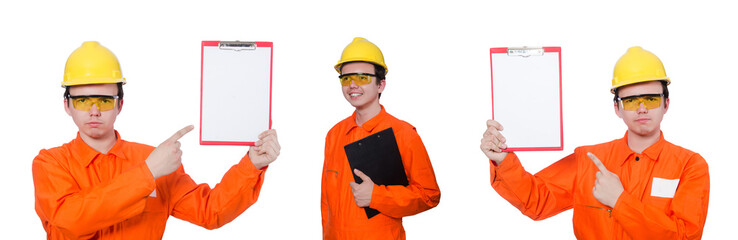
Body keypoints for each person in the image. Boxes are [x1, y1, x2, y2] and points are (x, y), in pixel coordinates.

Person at [32, 41, 281, 239]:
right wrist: (147, 173)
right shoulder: (51, 163)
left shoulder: (153, 160)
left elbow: (211, 211)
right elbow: (70, 220)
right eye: (83, 100)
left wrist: (252, 164)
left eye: (105, 100)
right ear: (67, 105)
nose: (94, 110)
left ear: (120, 105)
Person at [480, 46, 709, 239]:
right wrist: (503, 160)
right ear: (617, 108)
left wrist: (619, 201)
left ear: (666, 104)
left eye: (650, 99)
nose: (642, 108)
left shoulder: (690, 166)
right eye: (630, 101)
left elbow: (685, 235)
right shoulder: (588, 160)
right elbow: (537, 200)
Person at [321, 37, 441, 239]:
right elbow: (326, 203)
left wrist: (376, 196)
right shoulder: (335, 134)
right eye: (345, 78)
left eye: (362, 78)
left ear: (381, 85)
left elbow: (429, 196)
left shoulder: (403, 134)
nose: (352, 85)